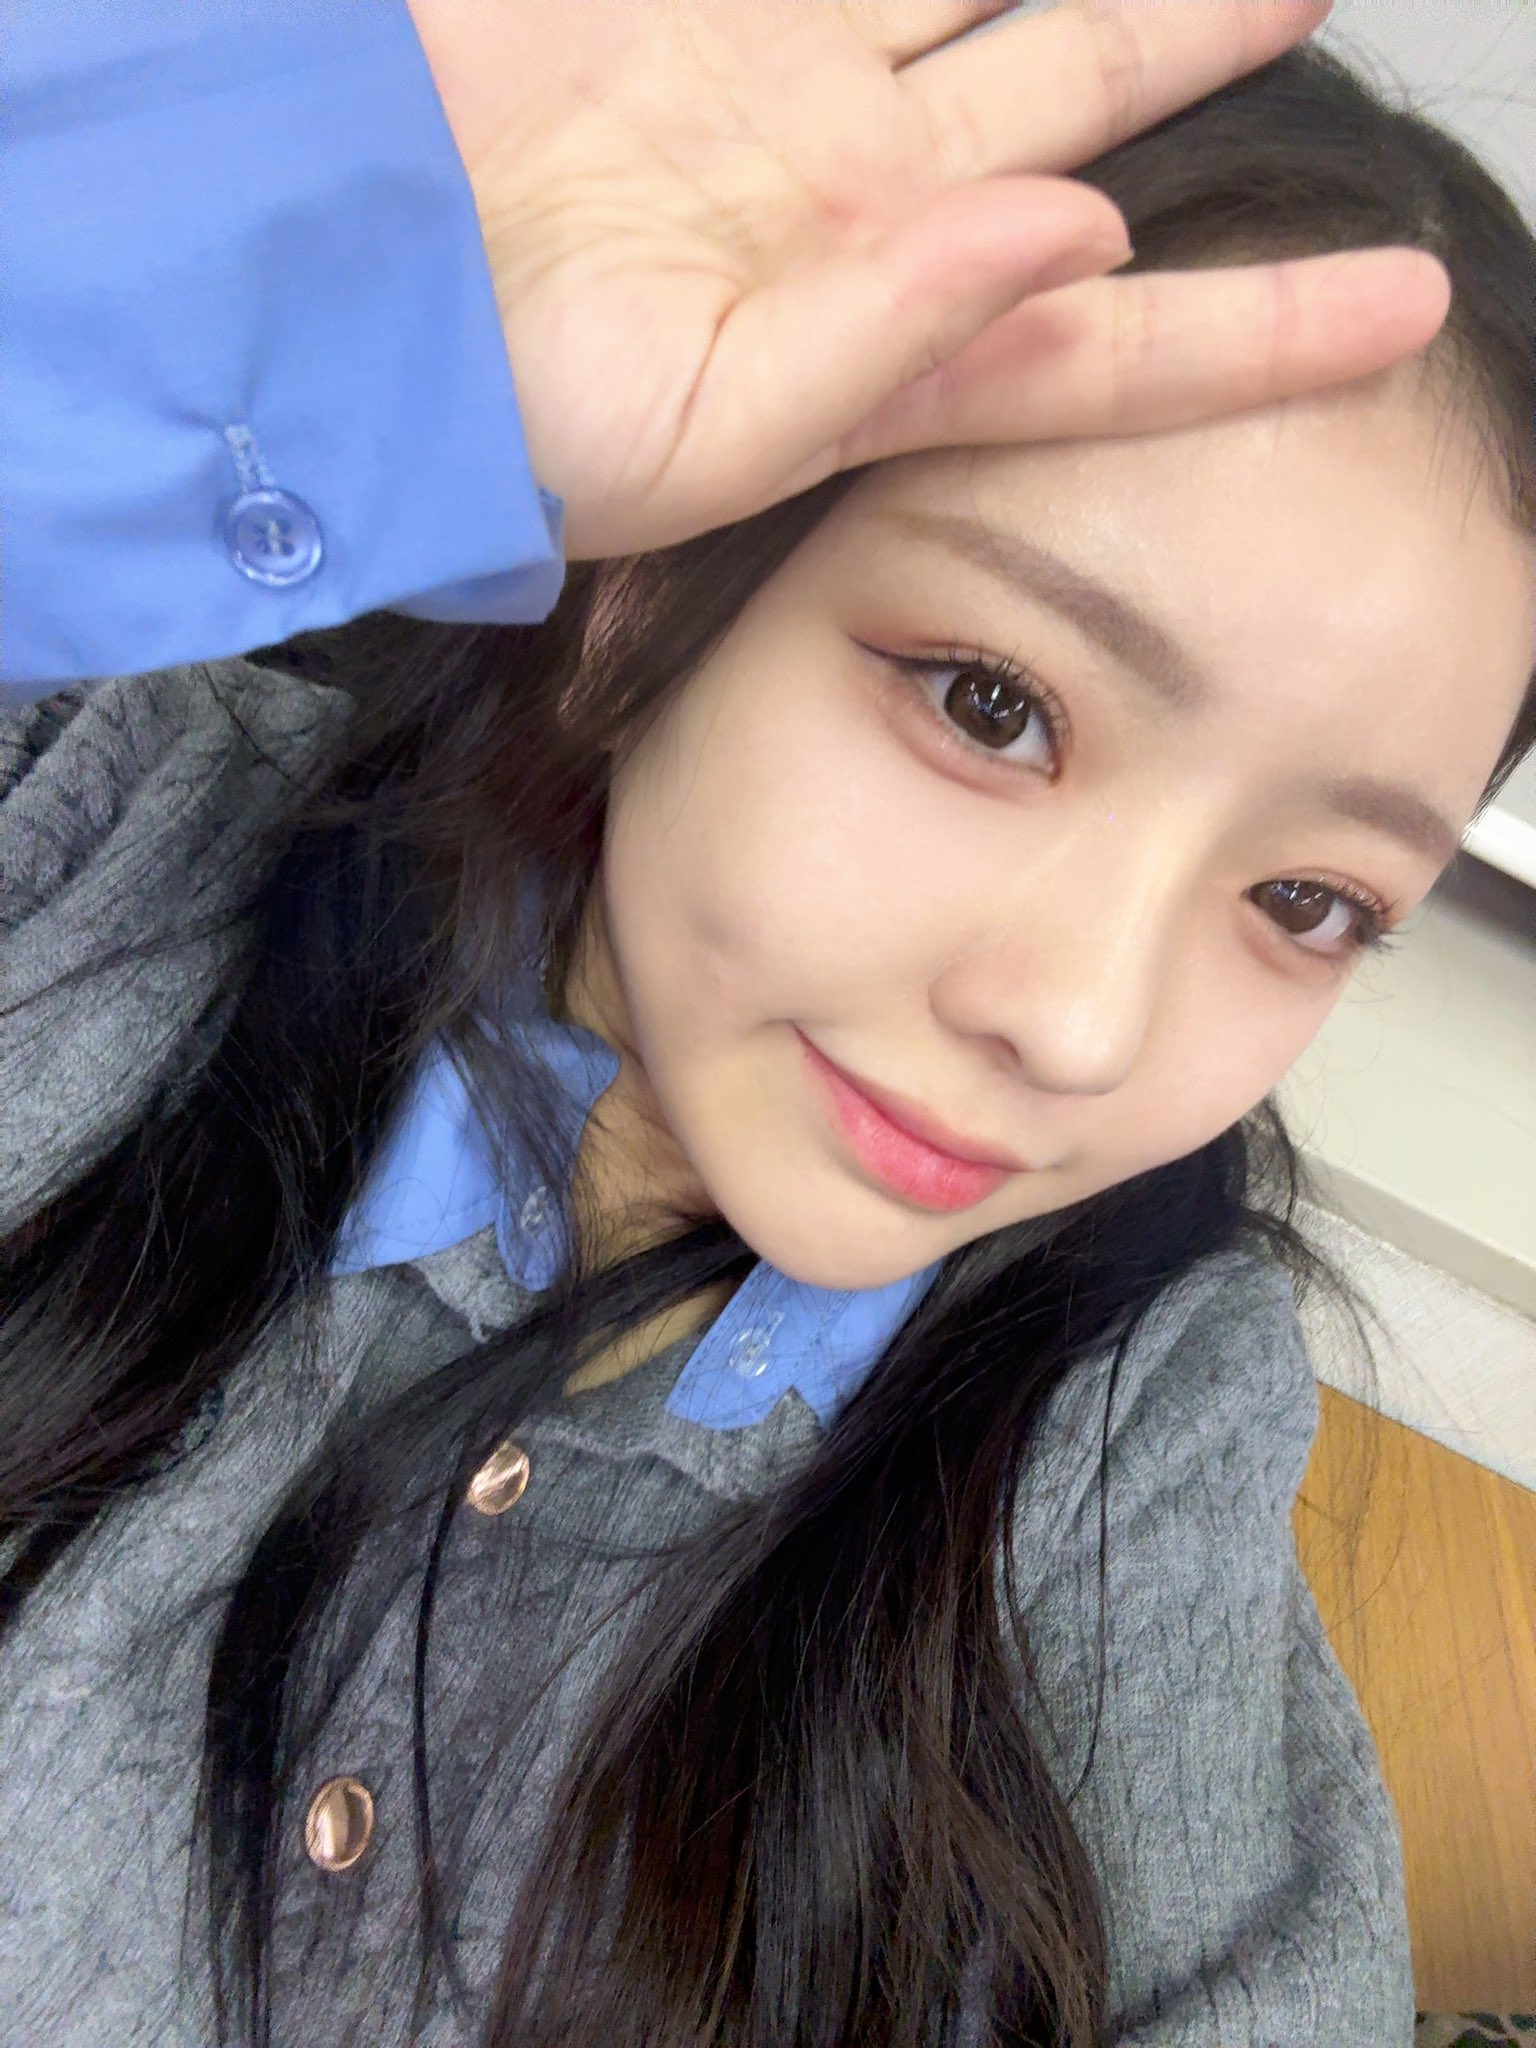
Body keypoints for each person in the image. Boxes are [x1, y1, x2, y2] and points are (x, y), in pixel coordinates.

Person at [1, 5, 1531, 2048]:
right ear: (647, 592)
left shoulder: (1129, 1426)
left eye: (1306, 902)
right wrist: (289, 254)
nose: (1081, 1027)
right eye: (994, 703)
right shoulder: (90, 832)